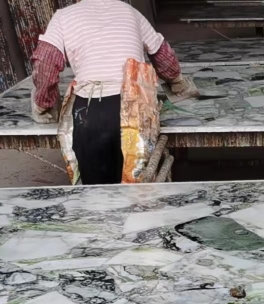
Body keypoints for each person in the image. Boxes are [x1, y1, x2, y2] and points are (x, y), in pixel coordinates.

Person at [30, 0, 193, 184]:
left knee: (97, 189)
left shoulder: (63, 17)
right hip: (136, 110)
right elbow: (163, 56)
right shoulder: (130, 12)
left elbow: (45, 64)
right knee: (139, 187)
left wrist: (43, 103)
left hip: (89, 112)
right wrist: (177, 81)